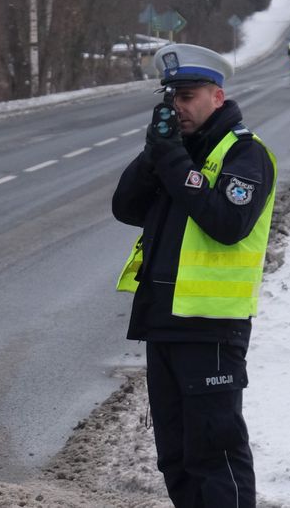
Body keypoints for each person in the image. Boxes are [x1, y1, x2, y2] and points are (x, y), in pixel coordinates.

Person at [112, 43, 277, 508]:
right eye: (172, 98)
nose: (178, 107)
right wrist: (155, 153)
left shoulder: (245, 154)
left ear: (217, 97)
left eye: (187, 97)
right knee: (177, 457)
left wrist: (173, 162)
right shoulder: (176, 152)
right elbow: (125, 207)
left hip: (211, 328)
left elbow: (227, 223)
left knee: (215, 454)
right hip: (163, 322)